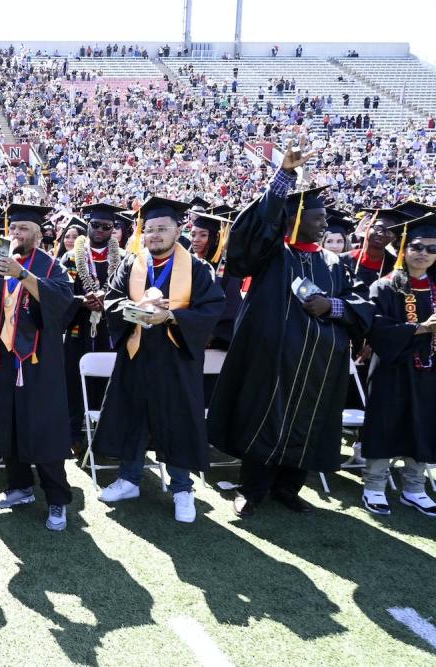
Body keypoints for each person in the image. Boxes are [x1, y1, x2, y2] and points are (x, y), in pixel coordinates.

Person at [207, 142, 374, 518]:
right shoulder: (273, 257)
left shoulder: (334, 263)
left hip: (320, 366)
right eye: (318, 219)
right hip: (273, 362)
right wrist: (284, 177)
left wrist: (332, 306)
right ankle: (251, 489)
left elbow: (362, 305)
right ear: (297, 220)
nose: (326, 225)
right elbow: (254, 232)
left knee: (307, 423)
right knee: (265, 420)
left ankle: (288, 487)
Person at [93, 197, 225, 522]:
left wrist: (170, 317)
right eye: (150, 229)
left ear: (179, 229)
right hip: (136, 355)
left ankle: (182, 489)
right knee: (133, 417)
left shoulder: (196, 269)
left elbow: (211, 310)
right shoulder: (132, 263)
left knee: (176, 422)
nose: (155, 235)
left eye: (162, 229)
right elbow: (112, 298)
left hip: (175, 358)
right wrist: (132, 311)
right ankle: (129, 479)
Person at [0, 203, 75, 531]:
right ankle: (20, 487)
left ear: (39, 234)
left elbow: (60, 300)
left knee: (43, 429)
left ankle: (57, 500)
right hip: (0, 359)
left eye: (25, 229)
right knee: (7, 423)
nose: (17, 233)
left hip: (37, 364)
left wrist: (22, 275)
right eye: (14, 228)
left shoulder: (52, 266)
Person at [361, 215, 436, 517]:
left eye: (431, 249)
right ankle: (374, 486)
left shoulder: (434, 287)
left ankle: (414, 488)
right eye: (416, 246)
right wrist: (420, 328)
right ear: (403, 247)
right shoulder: (385, 286)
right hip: (392, 370)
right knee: (385, 424)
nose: (423, 253)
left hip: (428, 372)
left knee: (424, 426)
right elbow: (375, 328)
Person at [62, 204, 123, 458]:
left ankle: (105, 434)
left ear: (113, 229)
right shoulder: (70, 257)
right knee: (74, 381)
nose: (100, 230)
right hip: (79, 328)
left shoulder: (123, 259)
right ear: (88, 224)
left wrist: (106, 302)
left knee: (108, 382)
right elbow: (61, 293)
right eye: (95, 225)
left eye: (106, 226)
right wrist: (80, 301)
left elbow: (127, 293)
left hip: (109, 329)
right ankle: (73, 434)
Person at [189, 211, 244, 350]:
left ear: (215, 238)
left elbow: (231, 305)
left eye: (203, 235)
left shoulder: (226, 267)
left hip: (215, 339)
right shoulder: (186, 262)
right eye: (193, 234)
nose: (195, 239)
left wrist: (213, 333)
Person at [342, 208, 407, 287]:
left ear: (394, 238)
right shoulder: (343, 260)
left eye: (389, 232)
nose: (381, 234)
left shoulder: (395, 267)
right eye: (378, 228)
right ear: (368, 227)